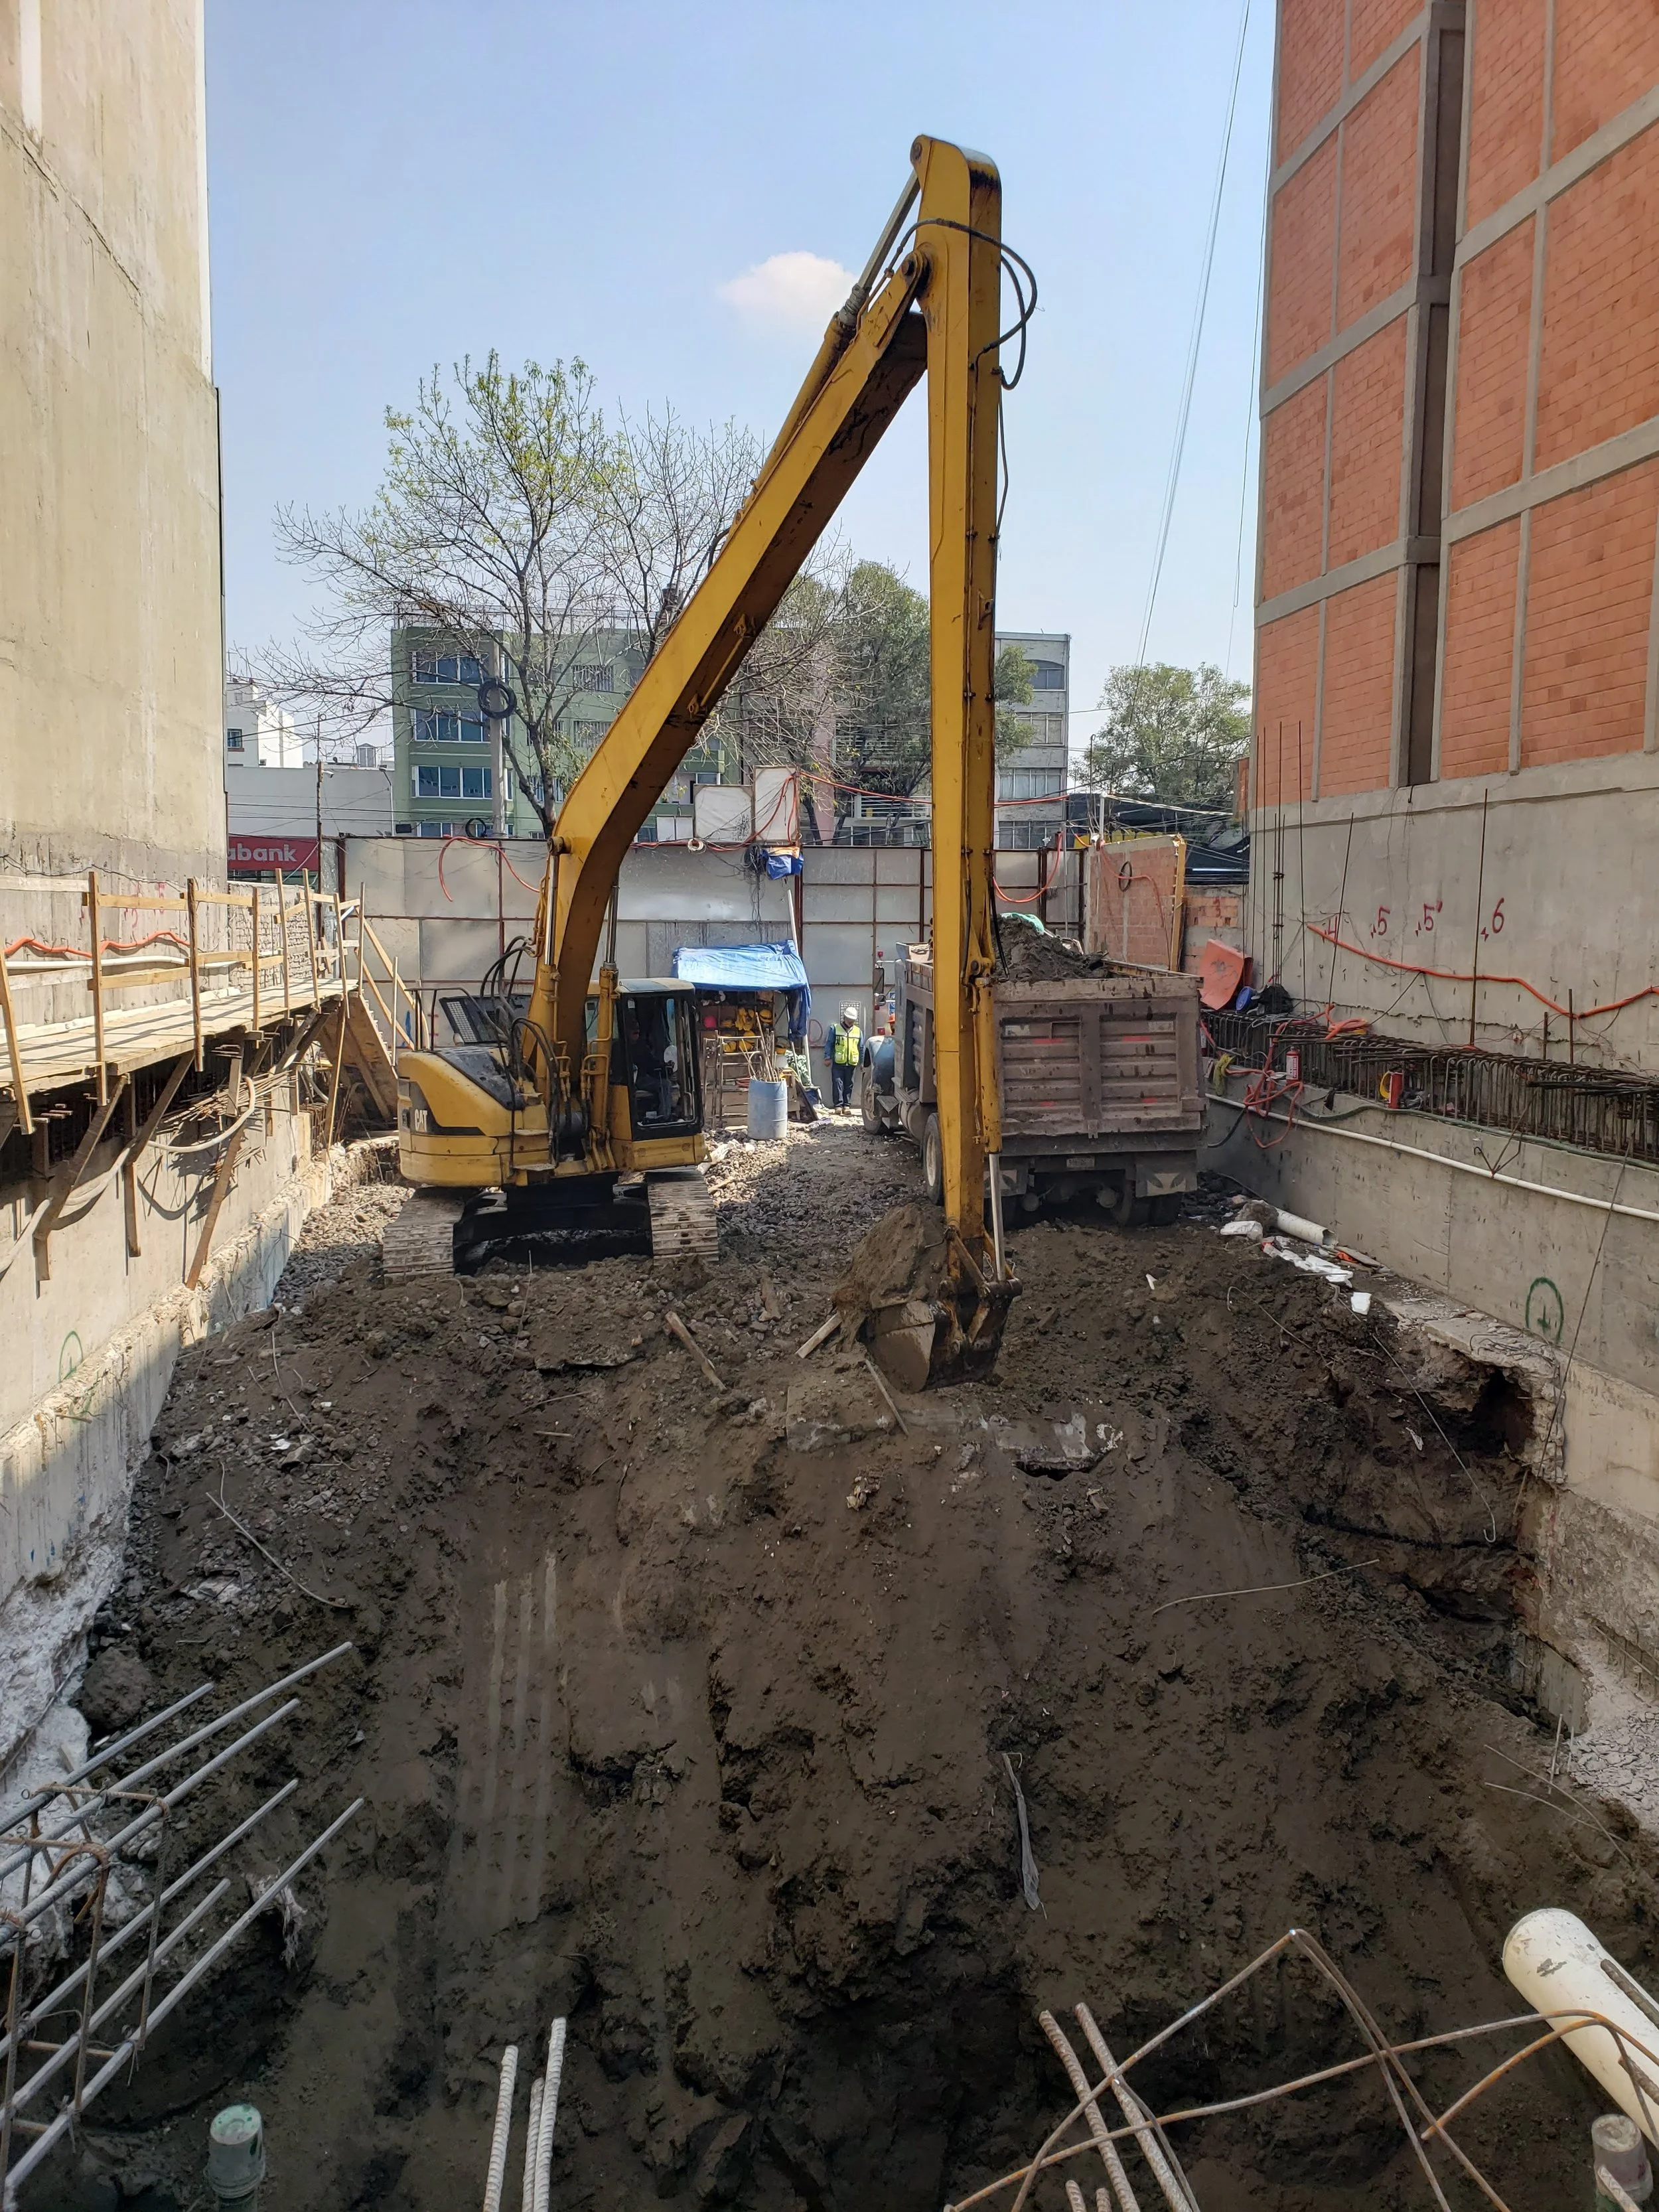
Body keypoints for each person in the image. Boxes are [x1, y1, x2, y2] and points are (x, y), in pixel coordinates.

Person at [828, 1003, 862, 1110]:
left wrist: (862, 1063)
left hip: (852, 1063)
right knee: (837, 1083)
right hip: (838, 1061)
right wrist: (827, 1057)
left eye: (852, 1020)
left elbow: (861, 1047)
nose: (851, 1022)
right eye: (849, 1019)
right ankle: (838, 1105)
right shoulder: (835, 1029)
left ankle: (846, 1105)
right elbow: (829, 1044)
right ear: (845, 1017)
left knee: (849, 1084)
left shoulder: (858, 1031)